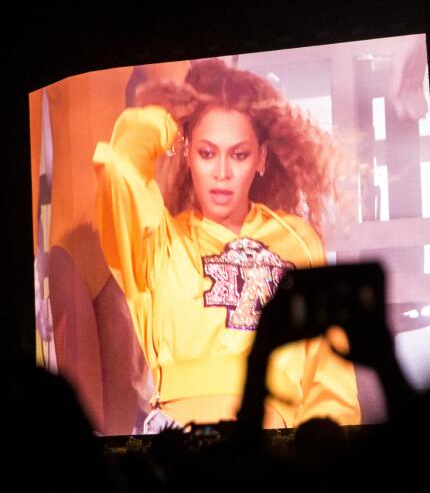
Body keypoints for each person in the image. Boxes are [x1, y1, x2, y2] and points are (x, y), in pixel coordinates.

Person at [93, 59, 360, 430]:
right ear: (188, 155)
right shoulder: (160, 242)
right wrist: (173, 117)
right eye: (206, 153)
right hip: (179, 444)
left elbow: (329, 373)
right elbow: (120, 163)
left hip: (272, 443)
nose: (221, 173)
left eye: (238, 154)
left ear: (261, 159)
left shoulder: (297, 240)